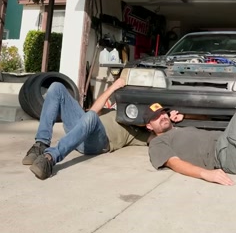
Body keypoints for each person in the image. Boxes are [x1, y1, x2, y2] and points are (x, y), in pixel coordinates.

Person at [22, 77, 183, 180]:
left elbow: (162, 137)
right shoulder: (119, 109)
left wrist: (171, 123)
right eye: (157, 115)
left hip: (97, 142)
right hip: (80, 127)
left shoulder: (140, 134)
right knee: (57, 87)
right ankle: (41, 144)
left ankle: (50, 158)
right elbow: (94, 109)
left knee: (91, 117)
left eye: (162, 115)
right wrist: (113, 87)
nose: (161, 117)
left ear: (149, 125)